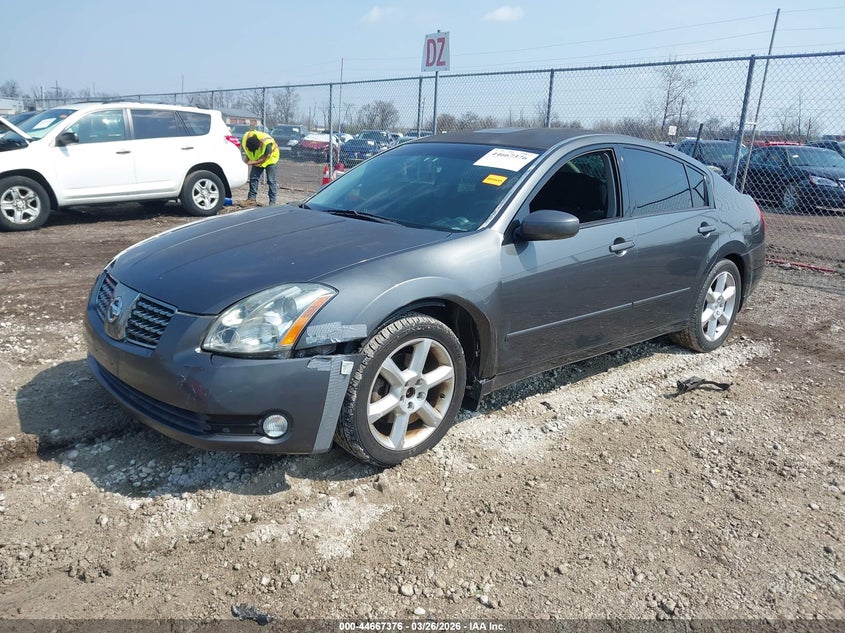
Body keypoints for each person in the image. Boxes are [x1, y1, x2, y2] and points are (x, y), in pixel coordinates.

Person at [241, 129, 280, 206]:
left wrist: (251, 162)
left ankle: (272, 203)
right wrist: (245, 163)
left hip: (271, 159)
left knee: (271, 181)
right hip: (258, 159)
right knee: (253, 177)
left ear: (259, 145)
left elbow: (264, 158)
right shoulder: (246, 139)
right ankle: (251, 199)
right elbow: (248, 154)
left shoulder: (266, 143)